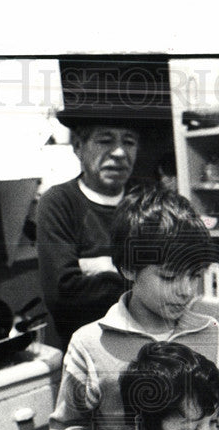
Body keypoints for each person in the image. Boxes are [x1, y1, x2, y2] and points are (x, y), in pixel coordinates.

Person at [49, 186, 219, 430]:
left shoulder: (210, 333)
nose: (187, 291)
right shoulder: (90, 344)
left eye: (194, 274)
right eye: (169, 277)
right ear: (129, 268)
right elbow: (69, 425)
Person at [35, 123, 138, 345]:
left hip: (146, 344)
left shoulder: (148, 200)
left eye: (129, 142)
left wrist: (102, 268)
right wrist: (136, 276)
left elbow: (170, 279)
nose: (119, 152)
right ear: (78, 147)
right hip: (87, 352)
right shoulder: (57, 204)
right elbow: (63, 295)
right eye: (105, 140)